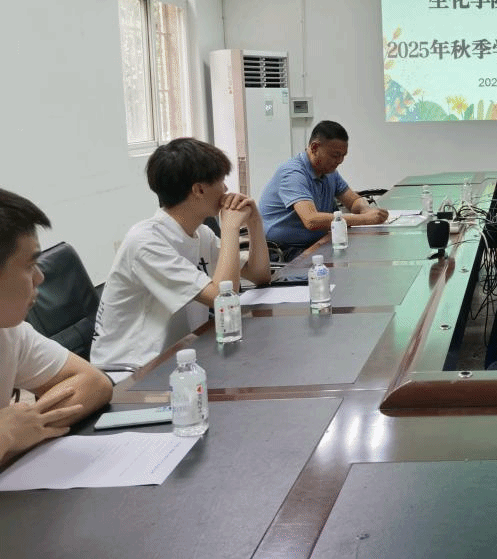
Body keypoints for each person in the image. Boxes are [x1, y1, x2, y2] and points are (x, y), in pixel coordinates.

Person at [90, 138, 271, 370]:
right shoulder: (146, 242)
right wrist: (229, 228)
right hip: (132, 370)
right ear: (199, 189)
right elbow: (223, 298)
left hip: (182, 354)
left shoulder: (201, 233)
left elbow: (259, 275)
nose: (226, 189)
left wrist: (255, 222)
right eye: (220, 181)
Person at [0, 189, 112, 464]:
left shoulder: (10, 332)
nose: (40, 278)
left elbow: (93, 383)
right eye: (29, 266)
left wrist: (23, 431)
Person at [258, 120, 388, 256]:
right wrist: (365, 219)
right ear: (314, 148)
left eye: (343, 156)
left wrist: (366, 210)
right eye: (335, 155)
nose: (340, 161)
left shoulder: (329, 172)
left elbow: (353, 201)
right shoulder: (293, 174)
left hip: (317, 242)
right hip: (285, 250)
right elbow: (311, 220)